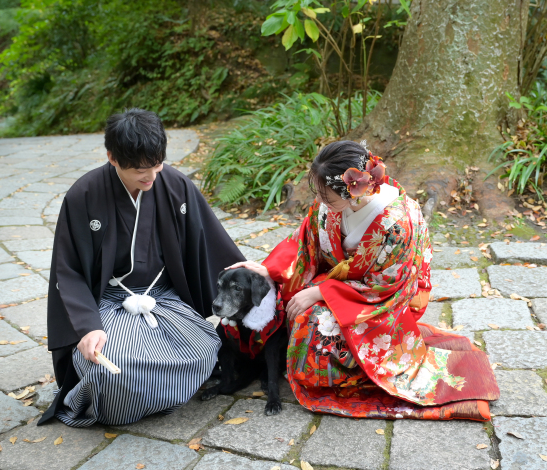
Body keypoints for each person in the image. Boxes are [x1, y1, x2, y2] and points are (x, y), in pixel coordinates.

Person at [232, 140, 499, 420]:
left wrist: (322, 292)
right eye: (320, 195)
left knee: (316, 326)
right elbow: (304, 243)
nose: (321, 203)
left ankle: (350, 375)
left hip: (381, 296)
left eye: (327, 198)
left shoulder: (397, 222)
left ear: (354, 187)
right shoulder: (331, 198)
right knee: (289, 306)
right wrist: (269, 269)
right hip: (344, 283)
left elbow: (386, 284)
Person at [40, 108, 243, 427]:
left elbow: (209, 239)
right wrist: (87, 326)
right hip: (107, 304)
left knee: (206, 348)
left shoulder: (175, 184)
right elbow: (69, 270)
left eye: (157, 165)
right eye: (139, 171)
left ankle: (150, 393)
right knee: (113, 368)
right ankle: (127, 393)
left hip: (164, 297)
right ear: (112, 157)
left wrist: (243, 272)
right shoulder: (84, 195)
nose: (150, 177)